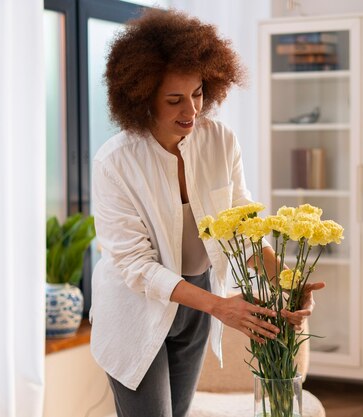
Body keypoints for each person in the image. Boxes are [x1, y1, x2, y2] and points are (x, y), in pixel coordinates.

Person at [89, 8, 325, 417]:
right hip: (135, 309)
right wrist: (219, 306)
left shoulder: (221, 141)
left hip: (195, 304)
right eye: (174, 100)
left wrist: (287, 280)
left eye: (197, 93)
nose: (192, 111)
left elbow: (242, 227)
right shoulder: (115, 162)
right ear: (143, 97)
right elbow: (135, 266)